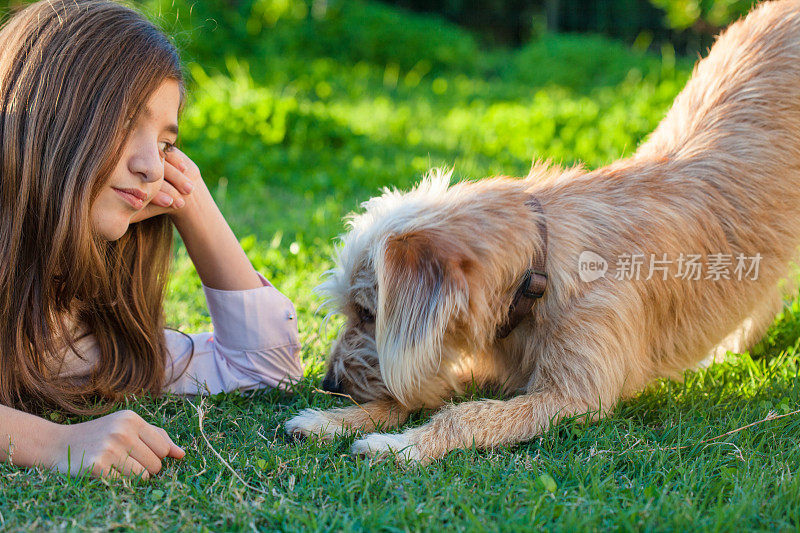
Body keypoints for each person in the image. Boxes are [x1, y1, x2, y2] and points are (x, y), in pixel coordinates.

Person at [0, 0, 304, 480]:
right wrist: (59, 443)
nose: (151, 166)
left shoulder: (84, 321)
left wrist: (191, 195)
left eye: (165, 143)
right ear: (47, 117)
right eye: (124, 122)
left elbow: (266, 370)